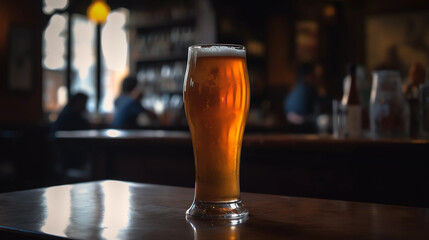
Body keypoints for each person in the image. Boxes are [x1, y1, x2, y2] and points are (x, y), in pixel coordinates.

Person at [283, 63, 326, 133]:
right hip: (306, 132)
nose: (316, 78)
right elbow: (322, 108)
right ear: (308, 76)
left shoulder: (294, 90)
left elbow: (287, 111)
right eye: (314, 75)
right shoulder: (309, 90)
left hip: (292, 133)